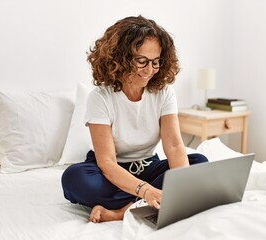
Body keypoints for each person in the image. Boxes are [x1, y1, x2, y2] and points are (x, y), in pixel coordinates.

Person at [61, 15, 208, 223]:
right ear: (119, 58)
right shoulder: (100, 98)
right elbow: (107, 162)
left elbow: (175, 146)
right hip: (111, 173)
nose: (149, 71)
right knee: (74, 178)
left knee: (199, 163)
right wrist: (147, 191)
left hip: (149, 168)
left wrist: (181, 184)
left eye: (156, 62)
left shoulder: (164, 93)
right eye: (141, 61)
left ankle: (124, 211)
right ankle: (154, 200)